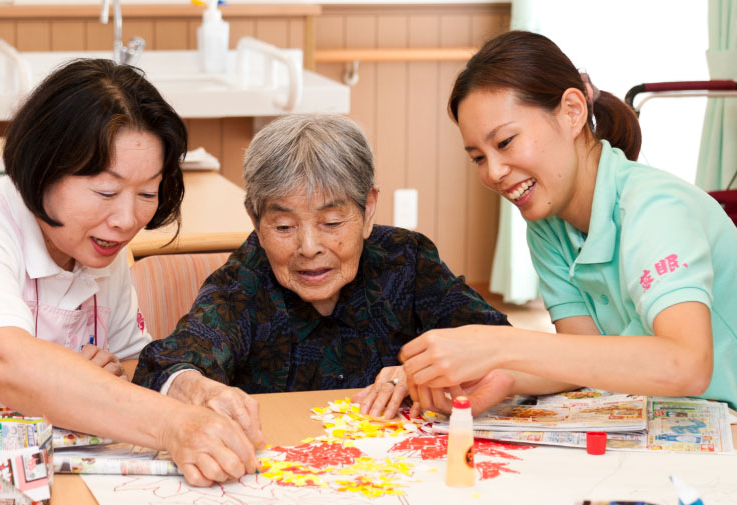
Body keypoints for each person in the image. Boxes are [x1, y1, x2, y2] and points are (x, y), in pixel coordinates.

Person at [0, 58, 262, 486]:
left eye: (148, 192)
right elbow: (5, 360)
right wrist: (172, 424)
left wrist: (186, 387)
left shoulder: (96, 245)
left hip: (56, 475)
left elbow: (132, 360)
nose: (127, 220)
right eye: (105, 191)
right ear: (43, 167)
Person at [400, 30, 737, 414]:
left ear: (573, 112)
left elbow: (688, 365)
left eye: (505, 142)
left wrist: (498, 346)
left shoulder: (655, 208)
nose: (493, 172)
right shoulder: (548, 226)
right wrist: (498, 377)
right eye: (478, 157)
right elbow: (583, 358)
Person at [133, 113, 509, 420]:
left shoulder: (405, 260)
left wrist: (424, 372)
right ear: (255, 220)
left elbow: (497, 340)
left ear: (368, 209)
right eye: (283, 227)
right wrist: (196, 387)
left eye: (331, 223)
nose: (309, 248)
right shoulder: (244, 284)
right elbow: (169, 364)